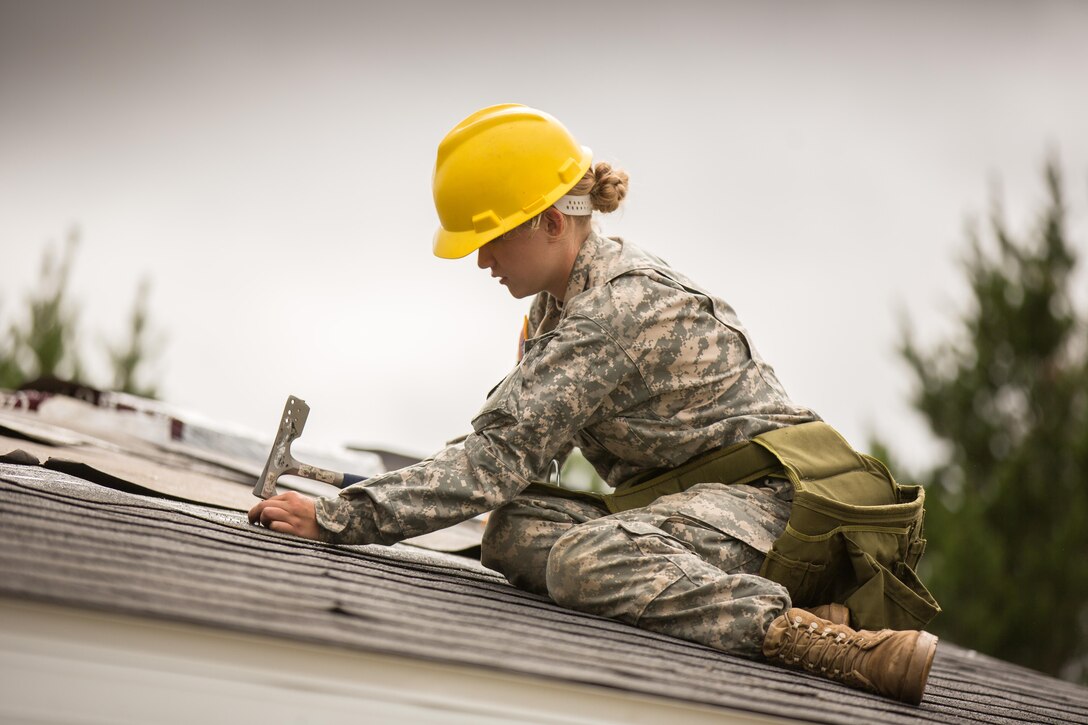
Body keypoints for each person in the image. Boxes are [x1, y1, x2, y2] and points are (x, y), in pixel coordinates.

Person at [249, 104, 940, 705]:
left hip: (781, 514)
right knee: (511, 529)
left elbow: (495, 456)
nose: (479, 259)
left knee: (582, 559)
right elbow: (510, 464)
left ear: (549, 222)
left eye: (489, 238)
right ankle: (792, 609)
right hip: (712, 505)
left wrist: (341, 517)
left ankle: (809, 636)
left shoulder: (607, 312)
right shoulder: (559, 305)